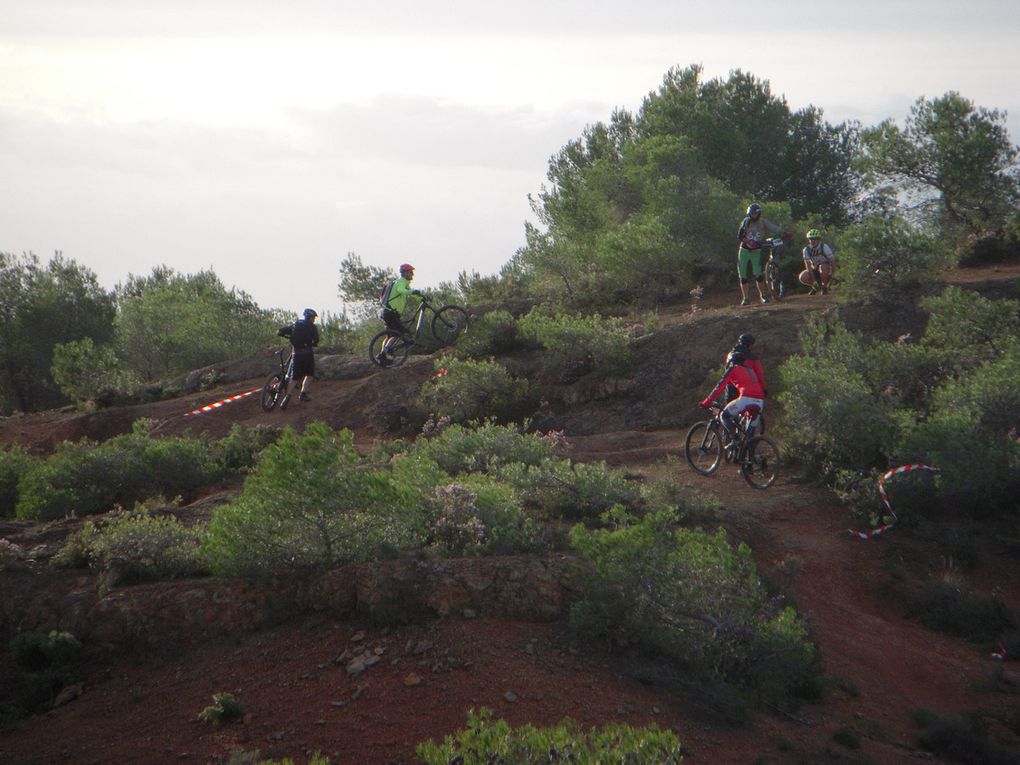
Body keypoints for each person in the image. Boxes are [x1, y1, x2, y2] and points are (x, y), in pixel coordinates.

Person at [700, 350, 766, 447]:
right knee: (749, 436)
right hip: (760, 401)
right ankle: (749, 457)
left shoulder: (733, 368)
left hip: (746, 399)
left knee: (724, 416)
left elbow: (720, 387)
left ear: (732, 361)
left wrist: (706, 402)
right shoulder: (751, 371)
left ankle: (735, 439)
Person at [737, 203, 789, 306]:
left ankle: (762, 296)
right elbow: (740, 236)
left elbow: (774, 228)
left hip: (756, 251)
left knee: (759, 275)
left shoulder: (763, 222)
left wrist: (784, 233)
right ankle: (746, 298)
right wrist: (748, 242)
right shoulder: (746, 222)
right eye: (751, 213)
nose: (753, 215)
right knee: (743, 276)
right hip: (744, 250)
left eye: (755, 213)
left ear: (759, 213)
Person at [376, 263, 422, 363]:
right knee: (399, 333)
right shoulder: (401, 283)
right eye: (410, 272)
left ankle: (385, 356)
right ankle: (384, 354)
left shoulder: (402, 282)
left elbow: (410, 293)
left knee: (390, 336)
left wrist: (422, 297)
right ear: (405, 273)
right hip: (390, 313)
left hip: (388, 313)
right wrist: (413, 292)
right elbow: (402, 290)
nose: (412, 275)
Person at [277, 308, 320, 403]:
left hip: (296, 353)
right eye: (313, 318)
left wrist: (281, 334)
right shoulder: (312, 327)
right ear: (310, 317)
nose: (314, 319)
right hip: (307, 354)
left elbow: (281, 331)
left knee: (294, 377)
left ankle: (286, 398)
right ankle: (303, 394)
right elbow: (316, 340)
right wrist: (314, 343)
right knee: (309, 375)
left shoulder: (296, 324)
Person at [799, 229, 836, 295]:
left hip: (827, 269)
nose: (813, 241)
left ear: (819, 240)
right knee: (802, 277)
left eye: (815, 239)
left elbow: (832, 261)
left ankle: (824, 287)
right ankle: (816, 287)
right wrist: (814, 281)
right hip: (815, 269)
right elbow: (808, 266)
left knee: (823, 266)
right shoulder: (806, 250)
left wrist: (834, 274)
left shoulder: (824, 247)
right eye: (810, 239)